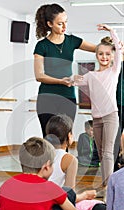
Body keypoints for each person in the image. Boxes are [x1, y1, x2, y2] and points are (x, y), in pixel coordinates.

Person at [34, 3, 97, 137]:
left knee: (65, 136)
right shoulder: (42, 46)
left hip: (68, 97)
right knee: (49, 137)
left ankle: (64, 159)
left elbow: (99, 49)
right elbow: (39, 75)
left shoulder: (72, 41)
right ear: (50, 24)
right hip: (47, 97)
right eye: (60, 23)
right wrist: (61, 81)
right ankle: (49, 159)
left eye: (65, 22)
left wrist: (115, 45)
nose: (64, 26)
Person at [75, 24, 122, 197]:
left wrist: (111, 31)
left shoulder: (114, 71)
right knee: (102, 154)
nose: (104, 56)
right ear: (96, 55)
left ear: (112, 56)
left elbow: (118, 48)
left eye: (107, 54)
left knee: (108, 152)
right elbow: (73, 81)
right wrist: (61, 78)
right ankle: (106, 184)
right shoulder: (91, 76)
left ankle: (109, 187)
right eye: (100, 53)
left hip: (111, 116)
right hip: (96, 119)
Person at [45, 114, 102, 210]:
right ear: (69, 136)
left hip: (41, 206)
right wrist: (85, 195)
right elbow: (69, 196)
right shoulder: (69, 160)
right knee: (96, 203)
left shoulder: (42, 155)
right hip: (57, 208)